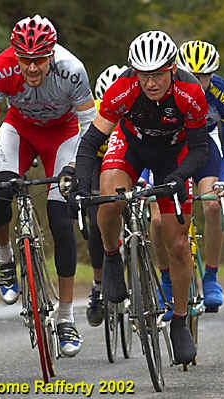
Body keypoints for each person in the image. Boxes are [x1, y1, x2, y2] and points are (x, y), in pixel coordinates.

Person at [64, 30, 209, 365]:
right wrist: (81, 186)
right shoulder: (123, 88)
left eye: (157, 74)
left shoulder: (190, 92)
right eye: (144, 75)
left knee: (176, 242)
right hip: (132, 147)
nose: (151, 83)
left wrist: (178, 178)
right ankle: (113, 258)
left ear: (172, 68)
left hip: (176, 155)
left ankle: (178, 321)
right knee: (109, 197)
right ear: (135, 73)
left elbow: (200, 149)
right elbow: (89, 145)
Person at [0, 15, 96, 357]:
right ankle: (5, 258)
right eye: (25, 59)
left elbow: (90, 126)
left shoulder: (73, 70)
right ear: (15, 55)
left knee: (61, 220)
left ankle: (67, 316)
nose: (32, 67)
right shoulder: (1, 68)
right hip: (20, 131)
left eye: (40, 59)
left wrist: (74, 169)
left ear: (52, 54)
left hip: (64, 136)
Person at [150, 40, 224, 318]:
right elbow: (141, 139)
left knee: (212, 203)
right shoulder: (165, 89)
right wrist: (142, 177)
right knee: (155, 219)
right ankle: (166, 279)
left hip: (204, 144)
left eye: (205, 77)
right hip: (169, 144)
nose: (198, 82)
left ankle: (211, 276)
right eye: (193, 76)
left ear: (213, 75)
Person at [85, 64, 128, 327]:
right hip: (97, 165)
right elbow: (84, 152)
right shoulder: (93, 116)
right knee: (95, 226)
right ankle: (98, 286)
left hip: (127, 162)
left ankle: (138, 258)